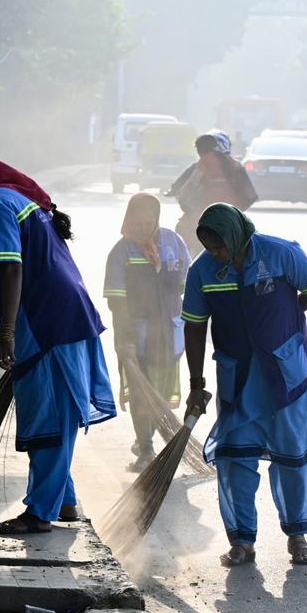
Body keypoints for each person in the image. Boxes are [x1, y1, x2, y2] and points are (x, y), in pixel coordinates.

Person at [0, 149, 116, 535]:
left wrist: (7, 332)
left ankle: (39, 514)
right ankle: (63, 499)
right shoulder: (11, 197)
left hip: (46, 319)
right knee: (54, 409)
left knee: (48, 414)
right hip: (67, 311)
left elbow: (12, 267)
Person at [180, 203, 307, 567]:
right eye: (208, 246)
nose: (215, 253)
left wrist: (287, 318)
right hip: (237, 376)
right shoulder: (202, 271)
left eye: (220, 245)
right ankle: (241, 541)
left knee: (292, 456)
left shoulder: (281, 253)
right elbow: (194, 326)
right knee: (235, 457)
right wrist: (196, 382)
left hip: (285, 372)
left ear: (237, 235)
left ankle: (297, 536)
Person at [102, 193, 191, 468]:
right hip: (135, 337)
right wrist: (125, 339)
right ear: (128, 219)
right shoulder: (121, 251)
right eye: (136, 222)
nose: (141, 227)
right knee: (142, 392)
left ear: (157, 219)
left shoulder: (174, 243)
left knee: (160, 392)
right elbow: (117, 300)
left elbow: (187, 283)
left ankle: (147, 439)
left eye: (147, 222)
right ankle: (146, 449)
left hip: (167, 335)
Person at [168, 130, 258, 255]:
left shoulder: (205, 162)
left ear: (199, 149)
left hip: (209, 211)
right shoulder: (232, 162)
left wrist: (183, 200)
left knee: (183, 229)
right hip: (232, 215)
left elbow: (190, 186)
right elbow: (249, 194)